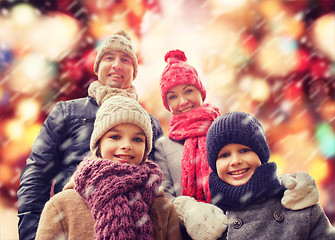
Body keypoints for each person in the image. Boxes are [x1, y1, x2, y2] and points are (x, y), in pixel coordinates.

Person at [154, 49, 320, 240]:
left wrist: (290, 187)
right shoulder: (163, 146)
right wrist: (190, 211)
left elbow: (257, 169)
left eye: (188, 91)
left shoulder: (225, 129)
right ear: (167, 103)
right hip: (192, 232)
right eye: (172, 96)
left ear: (200, 91)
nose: (182, 101)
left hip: (238, 220)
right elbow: (164, 197)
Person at [17, 30, 164, 240]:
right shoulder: (67, 112)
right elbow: (37, 173)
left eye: (125, 60)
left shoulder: (150, 123)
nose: (117, 65)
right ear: (97, 67)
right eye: (109, 58)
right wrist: (34, 234)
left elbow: (161, 183)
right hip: (74, 226)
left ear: (134, 71)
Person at [34, 95, 181, 240]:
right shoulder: (62, 206)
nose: (127, 145)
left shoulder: (163, 209)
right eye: (115, 137)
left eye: (137, 139)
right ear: (99, 144)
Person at [206, 111, 335, 239]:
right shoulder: (208, 221)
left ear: (261, 156)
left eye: (244, 150)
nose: (235, 161)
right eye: (224, 155)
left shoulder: (298, 204)